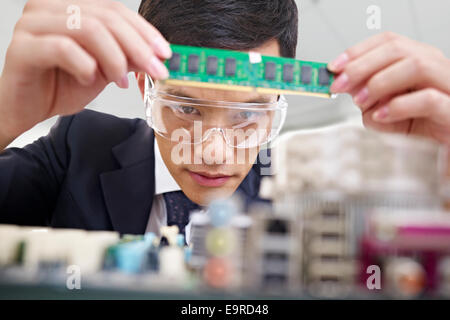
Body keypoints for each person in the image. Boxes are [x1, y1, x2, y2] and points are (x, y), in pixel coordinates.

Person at [0, 0, 449, 239]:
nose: (213, 152)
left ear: (279, 100)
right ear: (145, 90)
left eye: (248, 115)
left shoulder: (307, 197)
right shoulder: (79, 145)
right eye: (187, 107)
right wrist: (6, 115)